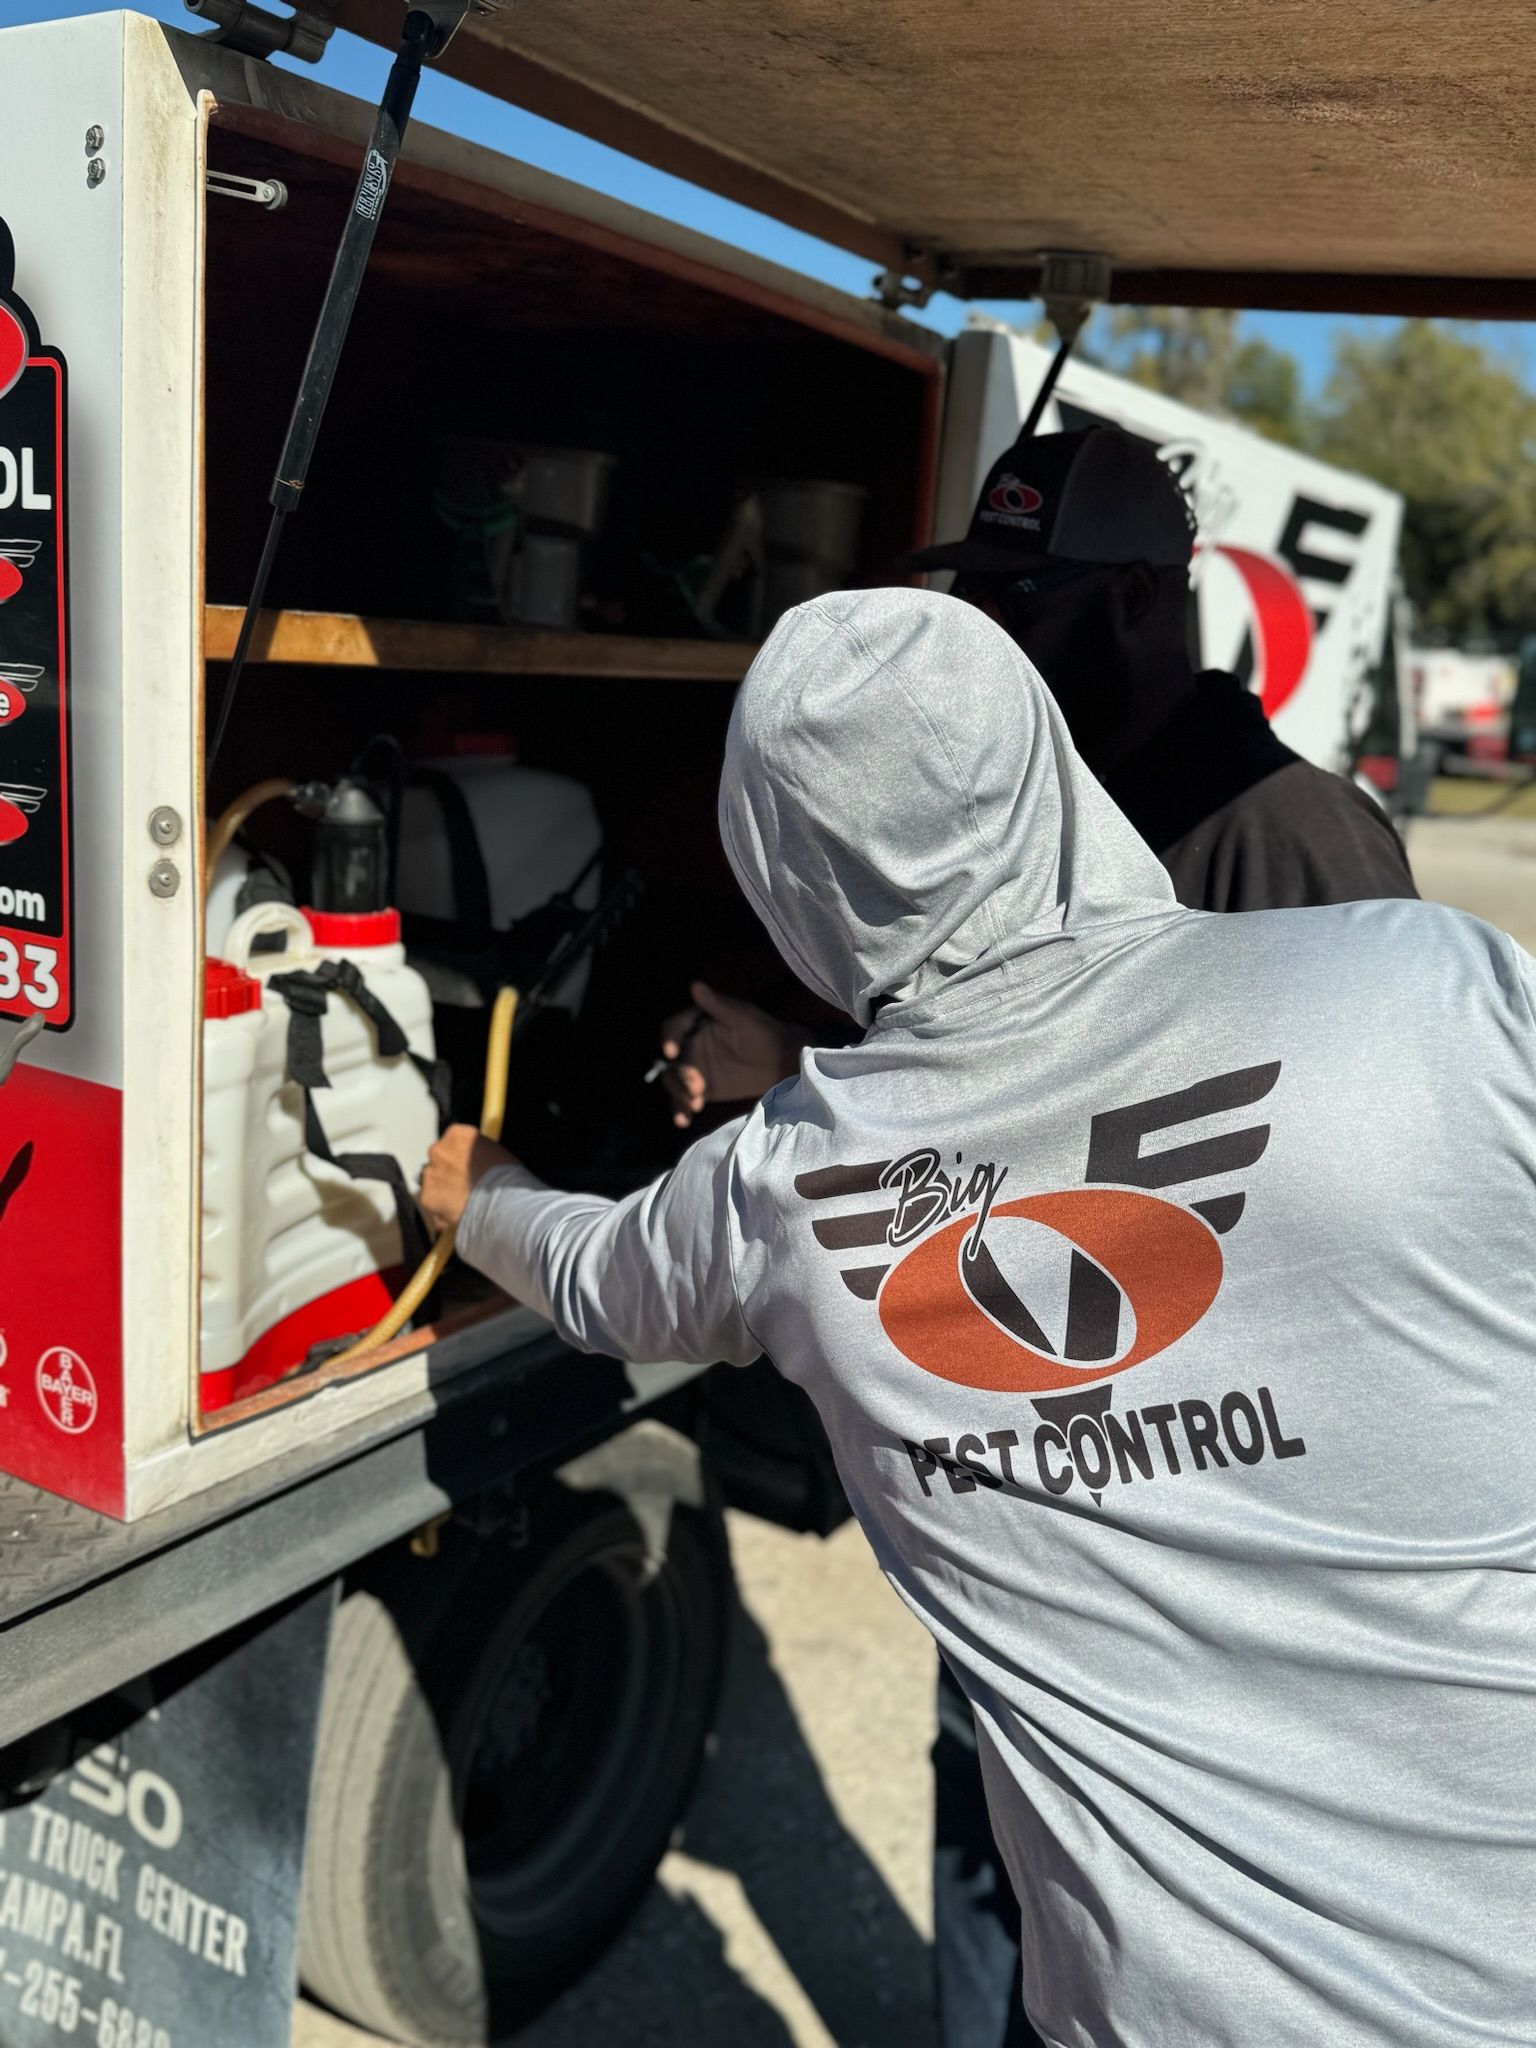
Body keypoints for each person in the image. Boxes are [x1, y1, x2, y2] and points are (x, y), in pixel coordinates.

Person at [423, 587, 1536, 2048]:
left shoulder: (791, 1195)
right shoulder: (1435, 994)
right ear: (1048, 764)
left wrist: (474, 1187)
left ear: (777, 865)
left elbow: (592, 1279)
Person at [656, 425, 1419, 2048]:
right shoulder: (1032, 811)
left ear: (1143, 600)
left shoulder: (1301, 846)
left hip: (1182, 1597)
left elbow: (1286, 1220)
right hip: (1022, 1533)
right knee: (981, 1866)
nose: (988, 639)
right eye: (979, 595)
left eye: (1027, 598)